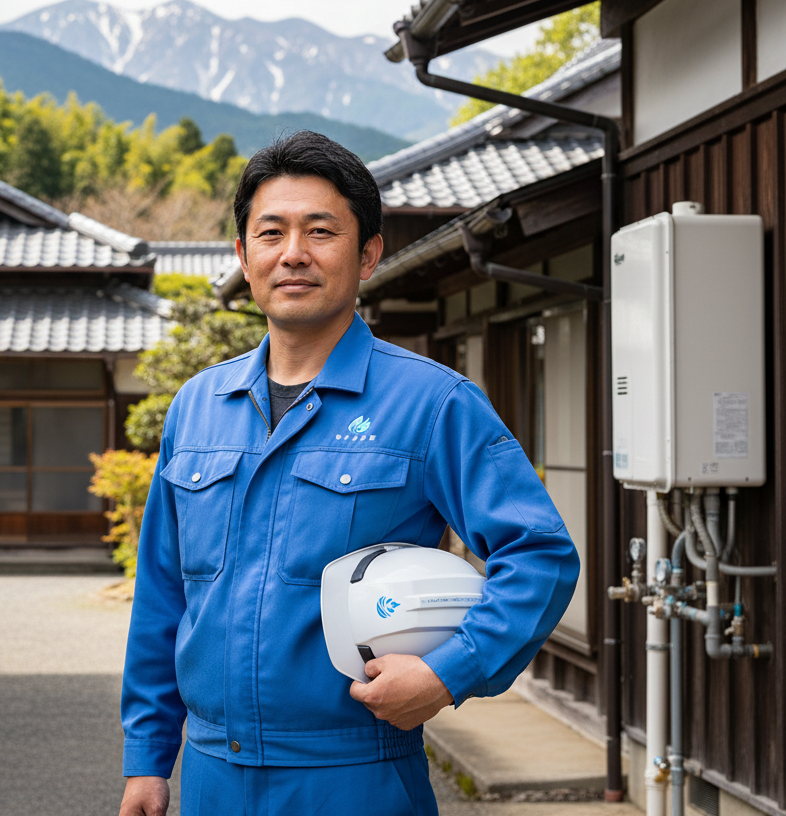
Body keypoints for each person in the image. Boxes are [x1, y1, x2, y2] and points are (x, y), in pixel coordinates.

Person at [119, 131, 578, 816]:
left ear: (367, 255)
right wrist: (147, 761)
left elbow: (538, 554)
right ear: (244, 258)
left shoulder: (432, 403)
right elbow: (162, 595)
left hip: (355, 776)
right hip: (212, 778)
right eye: (270, 233)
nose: (293, 253)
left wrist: (447, 673)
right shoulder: (197, 407)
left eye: (321, 231)